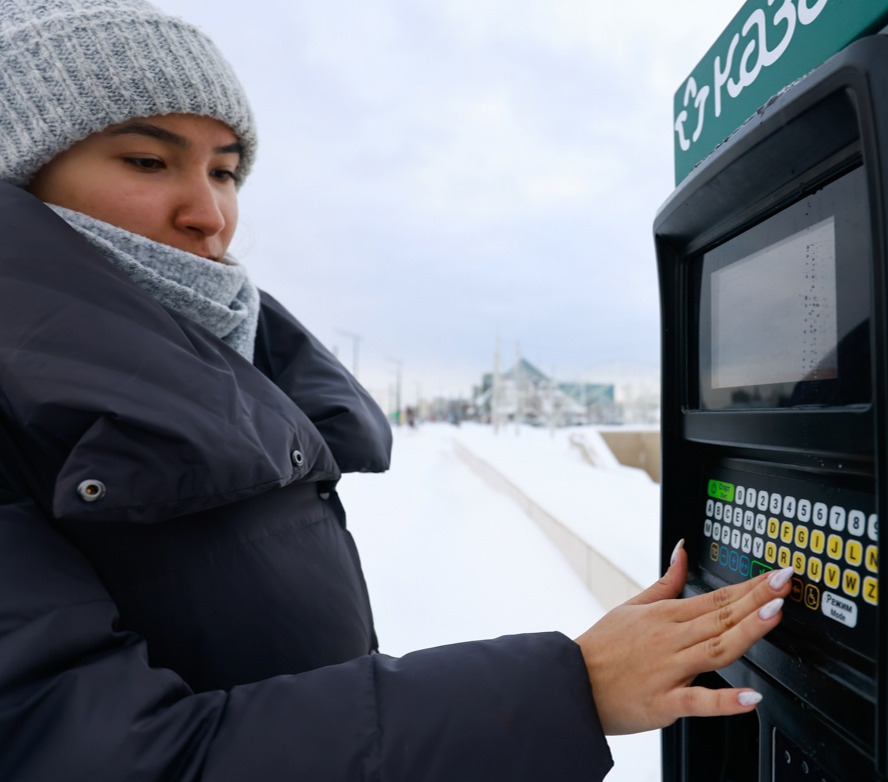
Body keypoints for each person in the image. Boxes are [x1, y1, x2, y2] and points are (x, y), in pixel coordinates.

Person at [0, 1, 794, 779]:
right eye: (147, 160)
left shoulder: (237, 374)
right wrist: (568, 690)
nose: (209, 213)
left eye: (226, 170)